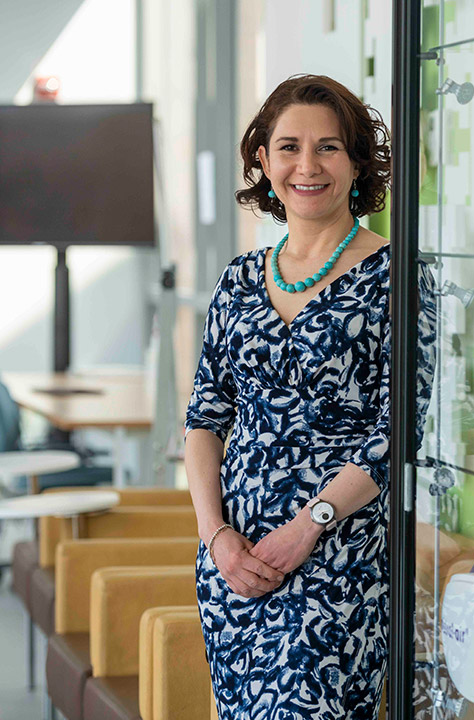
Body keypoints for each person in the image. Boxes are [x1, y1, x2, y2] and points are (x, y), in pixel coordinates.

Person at [184, 74, 436, 720]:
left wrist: (309, 527)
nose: (307, 165)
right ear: (264, 163)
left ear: (357, 164)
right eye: (289, 146)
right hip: (235, 570)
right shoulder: (238, 280)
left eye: (328, 147)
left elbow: (397, 429)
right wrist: (216, 539)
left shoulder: (400, 276)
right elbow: (204, 420)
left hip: (338, 567)